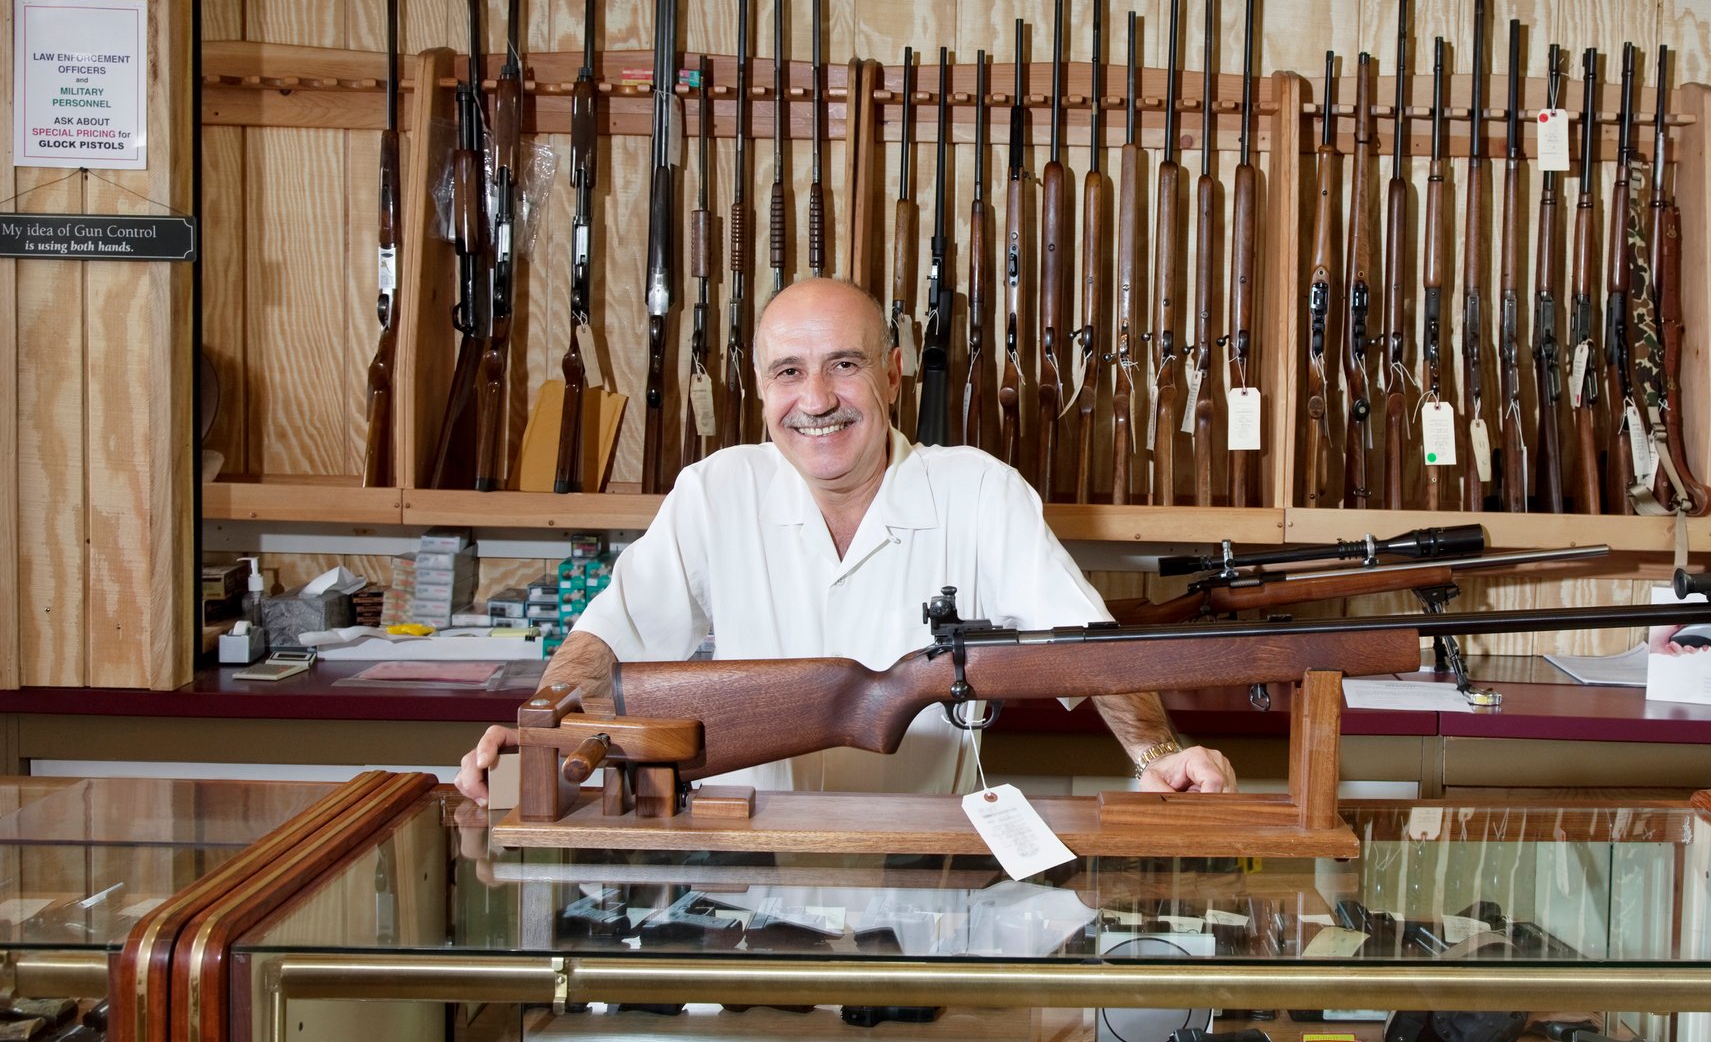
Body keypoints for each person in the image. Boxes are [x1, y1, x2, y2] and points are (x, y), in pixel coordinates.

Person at [455, 277, 1235, 804]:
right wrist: (541, 723)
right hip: (742, 891)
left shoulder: (977, 490)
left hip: (924, 886)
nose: (816, 399)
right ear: (761, 389)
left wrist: (1160, 756)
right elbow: (606, 640)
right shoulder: (714, 490)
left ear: (894, 376)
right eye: (789, 372)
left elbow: (1087, 647)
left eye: (845, 365)